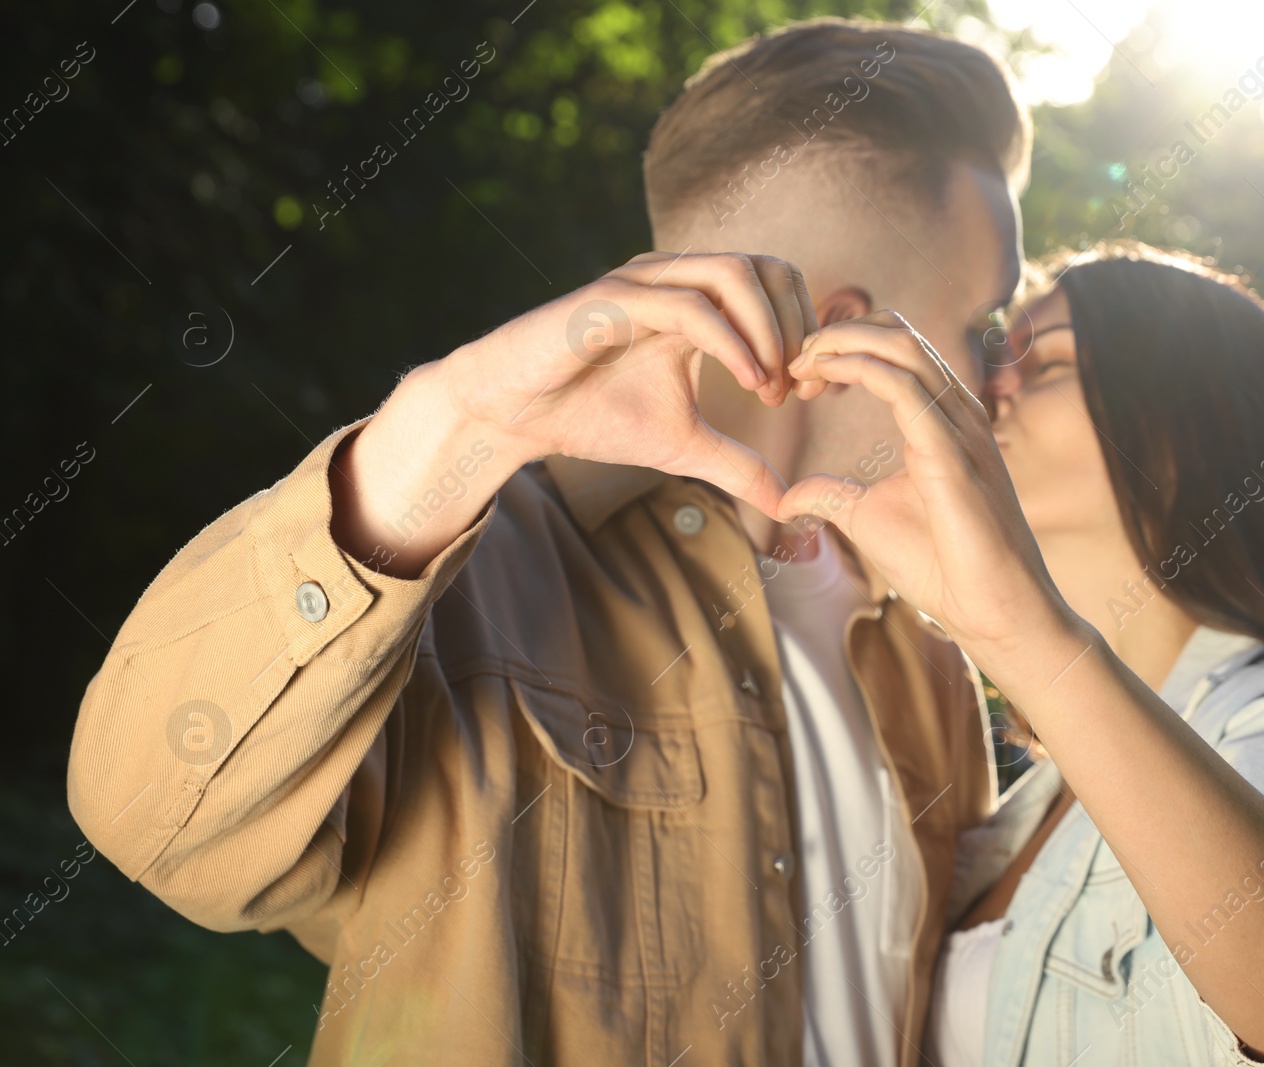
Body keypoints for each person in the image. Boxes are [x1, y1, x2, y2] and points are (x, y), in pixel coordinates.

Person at [65, 19, 1031, 1067]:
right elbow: (157, 825)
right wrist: (450, 421)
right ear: (846, 334)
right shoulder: (463, 578)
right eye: (984, 323)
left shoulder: (927, 646)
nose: (1003, 379)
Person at [771, 242, 1264, 1066]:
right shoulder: (1029, 803)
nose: (989, 385)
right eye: (997, 355)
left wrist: (1019, 634)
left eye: (1050, 363)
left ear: (1184, 432)